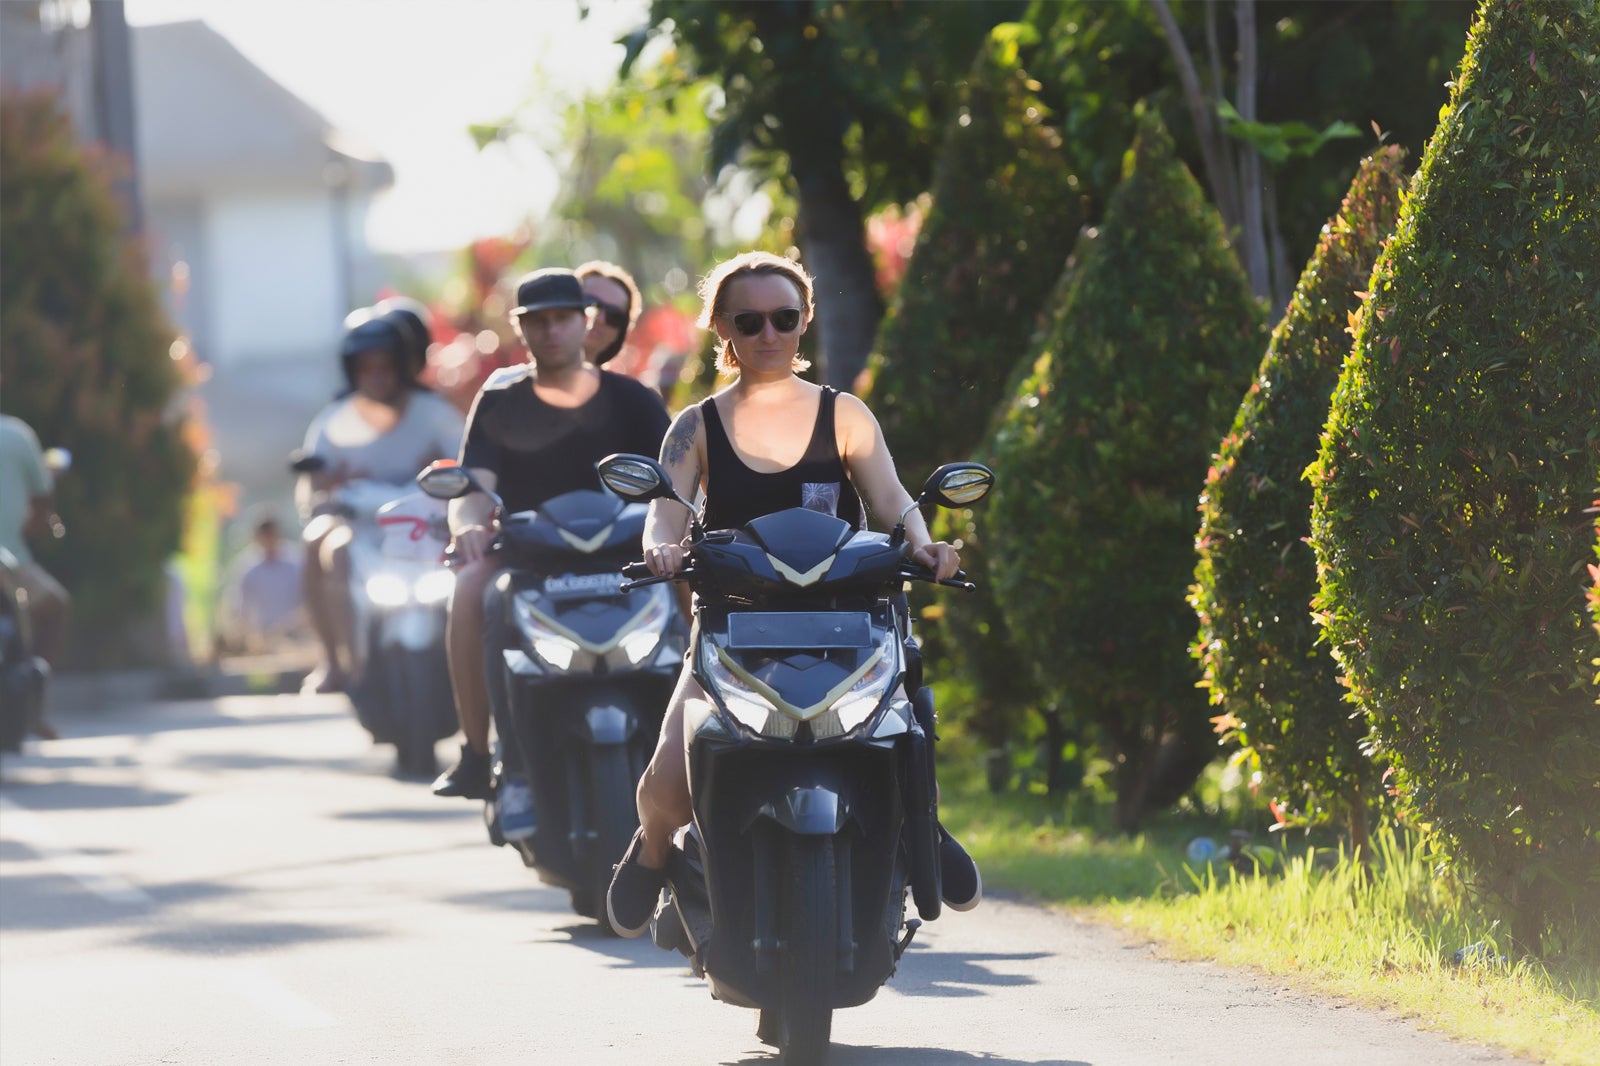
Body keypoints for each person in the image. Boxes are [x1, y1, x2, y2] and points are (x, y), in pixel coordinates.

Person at [604, 250, 982, 937]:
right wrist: (660, 547)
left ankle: (918, 823)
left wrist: (925, 547)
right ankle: (654, 851)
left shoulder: (845, 414)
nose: (768, 335)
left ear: (805, 319)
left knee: (902, 728)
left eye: (783, 318)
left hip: (851, 624)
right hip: (733, 628)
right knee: (664, 783)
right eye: (749, 322)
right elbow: (666, 509)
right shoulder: (695, 425)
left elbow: (893, 501)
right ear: (722, 329)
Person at [430, 267, 671, 845]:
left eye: (562, 317)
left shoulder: (633, 399)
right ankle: (487, 758)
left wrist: (681, 535)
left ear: (585, 321)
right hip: (529, 559)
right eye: (536, 321)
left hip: (628, 559)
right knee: (469, 589)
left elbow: (676, 483)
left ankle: (705, 739)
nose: (551, 330)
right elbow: (471, 489)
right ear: (520, 329)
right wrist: (466, 529)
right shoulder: (500, 399)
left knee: (692, 579)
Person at [298, 304, 464, 694]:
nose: (376, 377)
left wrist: (444, 473)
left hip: (426, 528)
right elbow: (311, 492)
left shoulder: (435, 414)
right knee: (322, 544)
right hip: (359, 531)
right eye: (366, 368)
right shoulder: (333, 421)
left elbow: (467, 466)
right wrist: (328, 489)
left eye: (385, 366)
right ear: (352, 370)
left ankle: (459, 654)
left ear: (404, 366)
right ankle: (342, 662)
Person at [0, 413, 68, 740]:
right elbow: (43, 503)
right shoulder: (17, 434)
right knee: (55, 605)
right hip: (10, 562)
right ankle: (32, 709)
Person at [218, 513, 305, 655]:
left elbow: (308, 602)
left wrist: (290, 626)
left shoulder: (297, 562)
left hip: (296, 636)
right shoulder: (246, 567)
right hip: (261, 639)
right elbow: (239, 609)